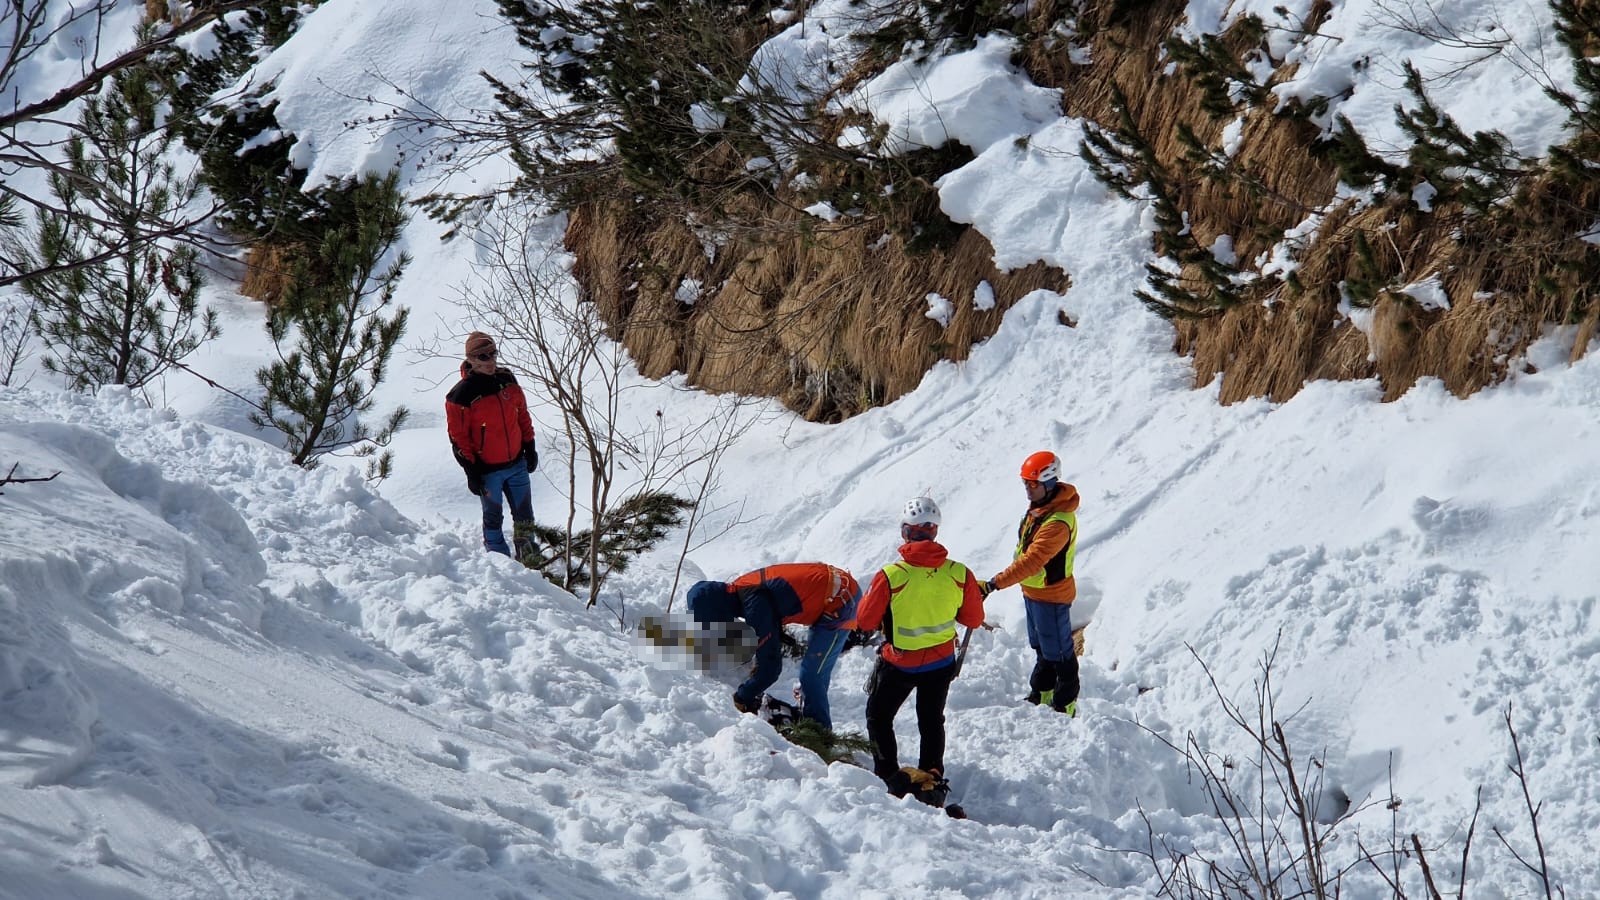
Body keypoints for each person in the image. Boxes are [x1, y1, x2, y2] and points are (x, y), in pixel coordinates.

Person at [856, 496, 985, 802]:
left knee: (879, 716)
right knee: (931, 719)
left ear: (905, 531)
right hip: (941, 662)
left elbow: (865, 621)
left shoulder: (892, 576)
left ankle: (888, 774)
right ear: (934, 531)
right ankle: (932, 775)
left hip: (899, 663)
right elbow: (973, 619)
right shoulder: (959, 573)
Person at [686, 563, 860, 730]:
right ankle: (813, 718)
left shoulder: (754, 605)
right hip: (836, 585)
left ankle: (819, 732)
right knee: (815, 671)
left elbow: (771, 669)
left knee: (812, 673)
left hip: (840, 600)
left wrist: (742, 696)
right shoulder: (742, 586)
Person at [981, 450, 1082, 716]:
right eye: (1025, 482)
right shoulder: (1040, 509)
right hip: (1033, 592)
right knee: (1042, 647)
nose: (1027, 488)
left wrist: (994, 584)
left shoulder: (1058, 523)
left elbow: (1032, 562)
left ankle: (1065, 703)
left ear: (1049, 482)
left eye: (1033, 483)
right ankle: (1042, 692)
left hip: (1052, 596)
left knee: (1060, 653)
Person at [445, 331, 539, 565]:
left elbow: (522, 415)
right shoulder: (460, 395)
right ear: (471, 359)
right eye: (483, 356)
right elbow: (458, 437)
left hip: (517, 463)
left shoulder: (507, 379)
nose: (490, 361)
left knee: (525, 516)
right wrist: (471, 471)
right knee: (493, 518)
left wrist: (530, 446)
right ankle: (500, 564)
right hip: (488, 471)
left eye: (493, 354)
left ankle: (530, 560)